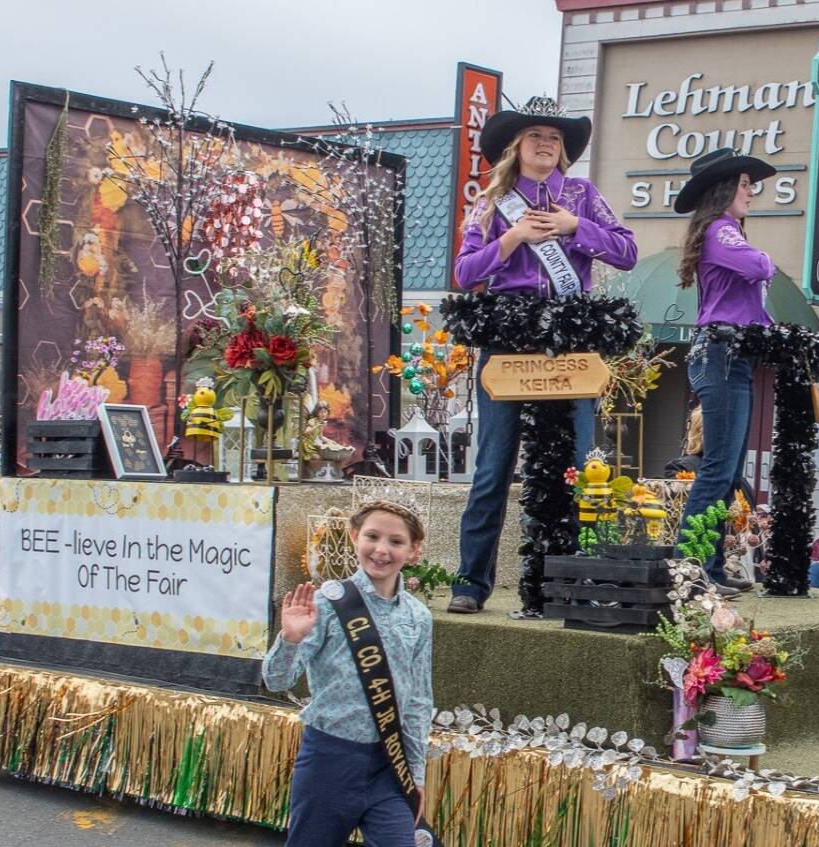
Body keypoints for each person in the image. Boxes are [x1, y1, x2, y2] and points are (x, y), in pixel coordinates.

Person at [448, 96, 638, 614]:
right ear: (517, 145)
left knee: (582, 465)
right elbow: (466, 274)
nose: (546, 144)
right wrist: (513, 237)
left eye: (555, 138)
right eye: (536, 136)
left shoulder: (581, 195)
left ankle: (583, 578)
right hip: (509, 342)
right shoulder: (494, 201)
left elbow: (627, 250)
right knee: (493, 465)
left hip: (569, 342)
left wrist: (575, 228)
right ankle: (470, 583)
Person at [262, 501, 434, 845]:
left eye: (396, 542)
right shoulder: (327, 603)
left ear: (414, 550)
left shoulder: (418, 617)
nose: (381, 549)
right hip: (330, 760)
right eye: (372, 536)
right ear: (355, 537)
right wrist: (290, 639)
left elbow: (418, 701)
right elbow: (277, 680)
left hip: (389, 764)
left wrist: (415, 773)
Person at [672, 147, 777, 597]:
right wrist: (767, 260)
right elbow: (758, 265)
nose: (750, 192)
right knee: (718, 468)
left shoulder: (720, 231)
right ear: (725, 189)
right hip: (722, 355)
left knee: (728, 469)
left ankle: (708, 566)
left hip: (729, 356)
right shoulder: (722, 230)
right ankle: (691, 566)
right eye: (744, 184)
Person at [664, 405, 755, 590]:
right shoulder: (682, 467)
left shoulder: (733, 474)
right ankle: (701, 575)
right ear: (700, 433)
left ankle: (715, 573)